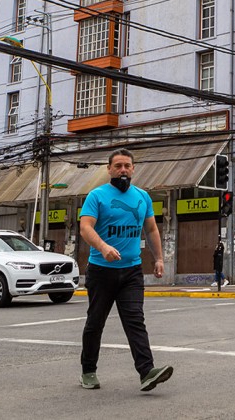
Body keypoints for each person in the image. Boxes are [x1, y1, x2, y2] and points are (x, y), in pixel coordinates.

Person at [79, 149, 173, 392]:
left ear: (133, 169)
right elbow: (85, 228)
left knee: (135, 321)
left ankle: (146, 372)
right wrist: (102, 245)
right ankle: (88, 370)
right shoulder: (96, 196)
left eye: (127, 166)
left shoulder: (142, 197)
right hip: (101, 271)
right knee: (95, 323)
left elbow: (151, 230)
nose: (122, 170)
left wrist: (159, 258)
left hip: (131, 272)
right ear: (109, 169)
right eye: (118, 165)